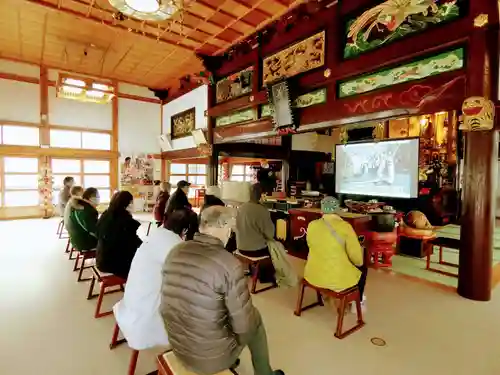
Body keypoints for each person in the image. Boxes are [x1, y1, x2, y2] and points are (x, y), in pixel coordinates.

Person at [160, 206, 285, 375]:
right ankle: (264, 373)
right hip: (210, 359)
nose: (230, 234)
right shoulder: (228, 263)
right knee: (254, 320)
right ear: (224, 226)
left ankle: (230, 357)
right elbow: (244, 327)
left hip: (180, 348)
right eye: (230, 229)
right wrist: (236, 342)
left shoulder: (175, 252)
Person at [113, 209, 192, 350]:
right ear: (185, 230)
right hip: (146, 318)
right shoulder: (174, 245)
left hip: (131, 306)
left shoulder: (156, 236)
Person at [304, 196, 367, 309]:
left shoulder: (312, 225)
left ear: (322, 210)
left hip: (312, 274)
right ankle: (358, 302)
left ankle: (325, 296)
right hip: (336, 280)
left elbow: (310, 245)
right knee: (363, 269)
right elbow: (358, 260)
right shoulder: (345, 227)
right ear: (337, 210)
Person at [96, 191, 143, 279]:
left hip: (101, 259)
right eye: (131, 202)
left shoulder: (106, 214)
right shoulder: (124, 220)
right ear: (126, 204)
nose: (132, 204)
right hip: (113, 263)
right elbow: (132, 242)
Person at [235, 183, 276, 281]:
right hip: (255, 251)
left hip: (240, 247)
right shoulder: (261, 210)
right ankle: (265, 277)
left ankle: (253, 270)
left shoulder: (241, 207)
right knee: (276, 249)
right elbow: (270, 234)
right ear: (262, 195)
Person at [65, 187, 100, 252]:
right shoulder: (89, 211)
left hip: (76, 241)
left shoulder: (77, 206)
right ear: (90, 198)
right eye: (97, 196)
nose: (99, 198)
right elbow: (95, 231)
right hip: (85, 243)